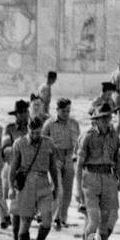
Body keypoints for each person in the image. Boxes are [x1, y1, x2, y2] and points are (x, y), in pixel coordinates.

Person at [75, 101, 120, 240]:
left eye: (108, 117)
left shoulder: (113, 135)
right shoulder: (87, 136)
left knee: (105, 222)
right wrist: (78, 189)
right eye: (102, 118)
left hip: (108, 178)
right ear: (96, 120)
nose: (106, 120)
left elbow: (117, 158)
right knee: (93, 221)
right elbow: (79, 164)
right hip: (90, 179)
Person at [9, 116, 58, 240]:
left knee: (47, 221)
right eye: (33, 133)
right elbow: (13, 168)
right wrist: (11, 188)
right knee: (25, 221)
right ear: (28, 130)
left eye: (38, 132)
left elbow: (53, 167)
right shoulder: (20, 144)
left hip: (44, 184)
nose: (36, 136)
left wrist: (56, 185)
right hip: (27, 186)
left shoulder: (48, 143)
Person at [44, 98, 79, 229]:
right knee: (58, 189)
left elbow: (78, 142)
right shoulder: (49, 124)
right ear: (57, 110)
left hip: (70, 157)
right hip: (55, 158)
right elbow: (42, 142)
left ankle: (63, 218)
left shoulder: (74, 123)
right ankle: (55, 218)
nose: (66, 113)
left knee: (68, 191)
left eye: (68, 111)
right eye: (63, 111)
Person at [2, 99, 32, 240]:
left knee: (28, 208)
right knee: (16, 209)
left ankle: (24, 238)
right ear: (17, 114)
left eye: (27, 112)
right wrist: (18, 155)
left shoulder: (32, 128)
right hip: (15, 171)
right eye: (23, 112)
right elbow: (5, 149)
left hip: (30, 171)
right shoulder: (9, 130)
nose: (26, 115)